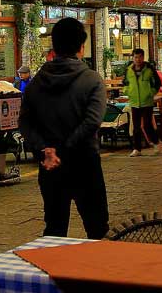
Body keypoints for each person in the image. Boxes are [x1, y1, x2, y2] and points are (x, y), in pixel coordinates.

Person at [19, 17, 108, 239]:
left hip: (50, 165)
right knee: (97, 228)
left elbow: (25, 123)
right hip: (84, 163)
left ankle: (53, 263)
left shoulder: (35, 83)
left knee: (55, 228)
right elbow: (92, 121)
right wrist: (66, 148)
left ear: (54, 47)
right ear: (81, 47)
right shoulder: (92, 80)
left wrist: (45, 149)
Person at [123, 48, 161, 157]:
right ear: (133, 58)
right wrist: (127, 91)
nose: (138, 59)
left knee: (148, 125)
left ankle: (156, 142)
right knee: (136, 127)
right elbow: (125, 82)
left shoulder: (149, 69)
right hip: (134, 101)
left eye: (140, 57)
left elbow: (157, 83)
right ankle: (137, 148)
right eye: (136, 57)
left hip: (146, 101)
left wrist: (151, 92)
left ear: (143, 57)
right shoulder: (129, 70)